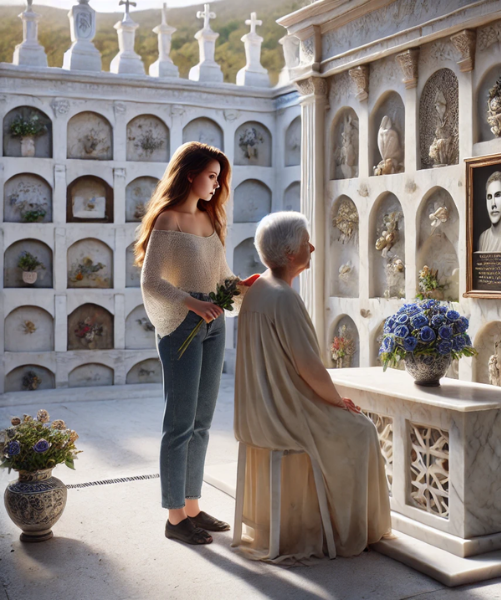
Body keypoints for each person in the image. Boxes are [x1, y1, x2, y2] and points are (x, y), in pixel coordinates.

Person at [234, 211, 392, 562]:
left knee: (354, 426)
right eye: (307, 243)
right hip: (286, 414)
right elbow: (310, 369)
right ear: (291, 254)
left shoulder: (258, 287)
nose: (314, 247)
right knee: (362, 429)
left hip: (256, 413)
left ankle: (315, 521)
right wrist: (337, 402)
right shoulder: (285, 298)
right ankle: (350, 530)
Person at [134, 142, 258, 546]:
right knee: (179, 423)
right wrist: (191, 302)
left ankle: (192, 506)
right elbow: (151, 281)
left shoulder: (208, 220)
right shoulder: (169, 220)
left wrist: (247, 287)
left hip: (214, 323)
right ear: (189, 174)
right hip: (182, 324)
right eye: (210, 175)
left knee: (202, 422)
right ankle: (174, 519)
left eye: (219, 178)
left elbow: (220, 278)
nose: (216, 184)